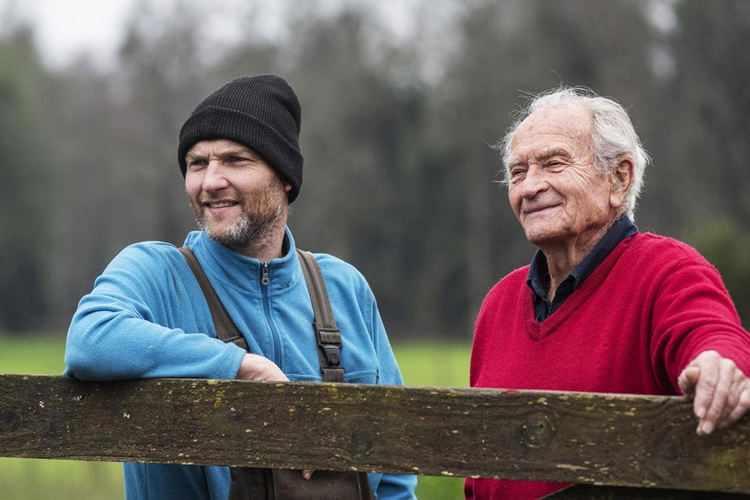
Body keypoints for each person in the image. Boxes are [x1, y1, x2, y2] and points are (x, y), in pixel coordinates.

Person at [64, 74, 417, 500]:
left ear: (285, 178)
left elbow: (396, 472)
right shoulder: (156, 272)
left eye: (235, 160)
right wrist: (240, 367)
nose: (210, 181)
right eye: (197, 163)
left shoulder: (345, 288)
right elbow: (90, 341)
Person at [466, 86, 750, 500]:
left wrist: (720, 365)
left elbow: (714, 336)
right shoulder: (499, 303)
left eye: (554, 163)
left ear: (619, 177)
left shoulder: (667, 269)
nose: (529, 187)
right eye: (518, 172)